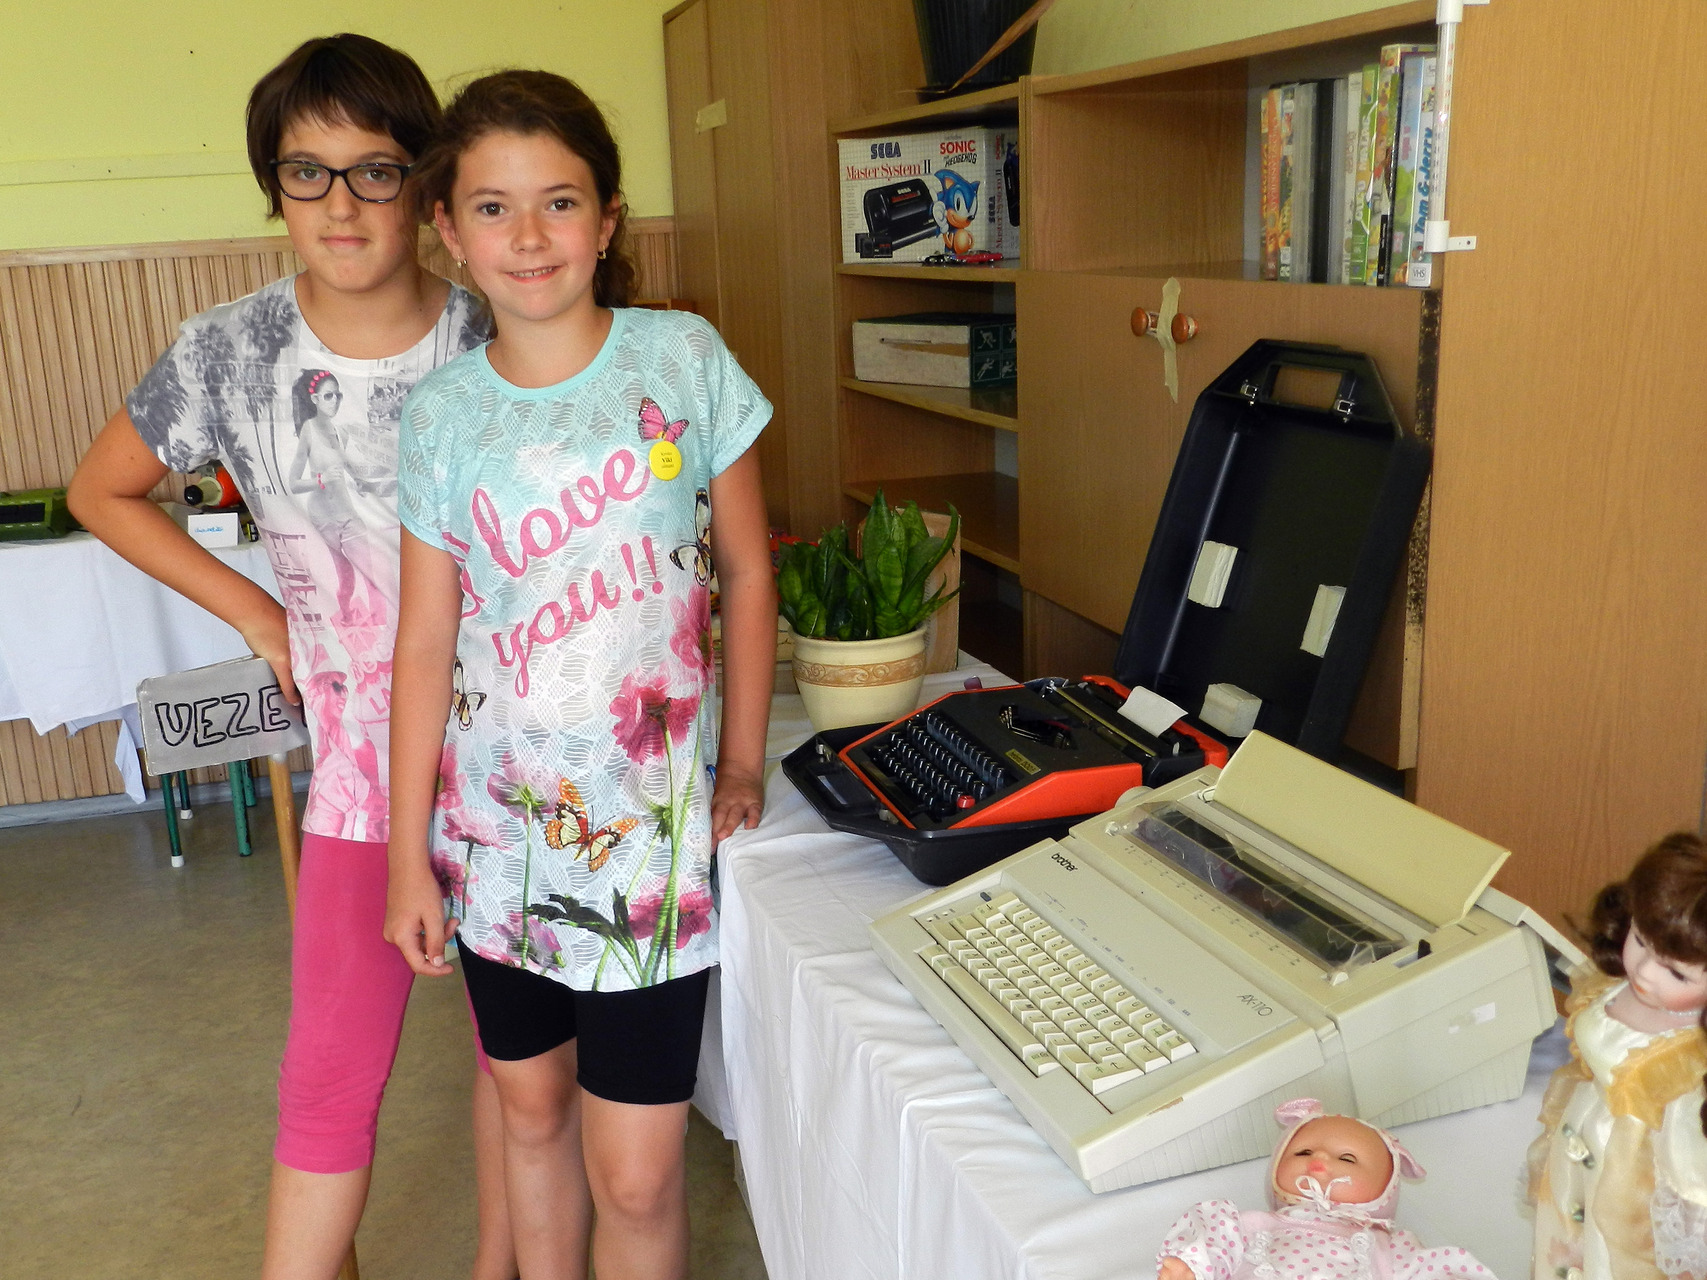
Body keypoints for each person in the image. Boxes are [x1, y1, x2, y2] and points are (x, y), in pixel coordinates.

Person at [66, 34, 516, 1280]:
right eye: (307, 172)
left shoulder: (495, 329)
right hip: (363, 774)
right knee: (329, 1069)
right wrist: (259, 615)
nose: (341, 203)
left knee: (518, 1060)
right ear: (275, 186)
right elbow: (103, 490)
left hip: (517, 759)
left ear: (424, 184)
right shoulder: (230, 350)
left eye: (375, 169)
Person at [383, 69, 775, 1280]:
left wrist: (743, 759)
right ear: (448, 232)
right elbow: (424, 641)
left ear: (607, 219)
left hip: (650, 849)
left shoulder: (684, 357)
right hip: (497, 840)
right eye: (492, 207)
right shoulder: (442, 415)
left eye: (558, 201)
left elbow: (747, 570)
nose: (529, 234)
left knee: (640, 1173)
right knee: (532, 1113)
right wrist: (406, 856)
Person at [1528, 833, 1707, 1280]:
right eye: (1640, 941)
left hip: (1633, 1177)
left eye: (1676, 973)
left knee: (1608, 1260)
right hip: (1580, 1142)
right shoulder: (1608, 986)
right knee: (1564, 1240)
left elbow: (1690, 1168)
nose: (1644, 971)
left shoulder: (1685, 1059)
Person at [1156, 1098, 1496, 1280]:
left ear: (1386, 1188)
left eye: (1347, 1159)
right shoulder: (1253, 1225)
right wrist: (1193, 1267)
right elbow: (1215, 1239)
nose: (1319, 1158)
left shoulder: (1387, 1247)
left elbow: (1428, 1269)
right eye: (1303, 1152)